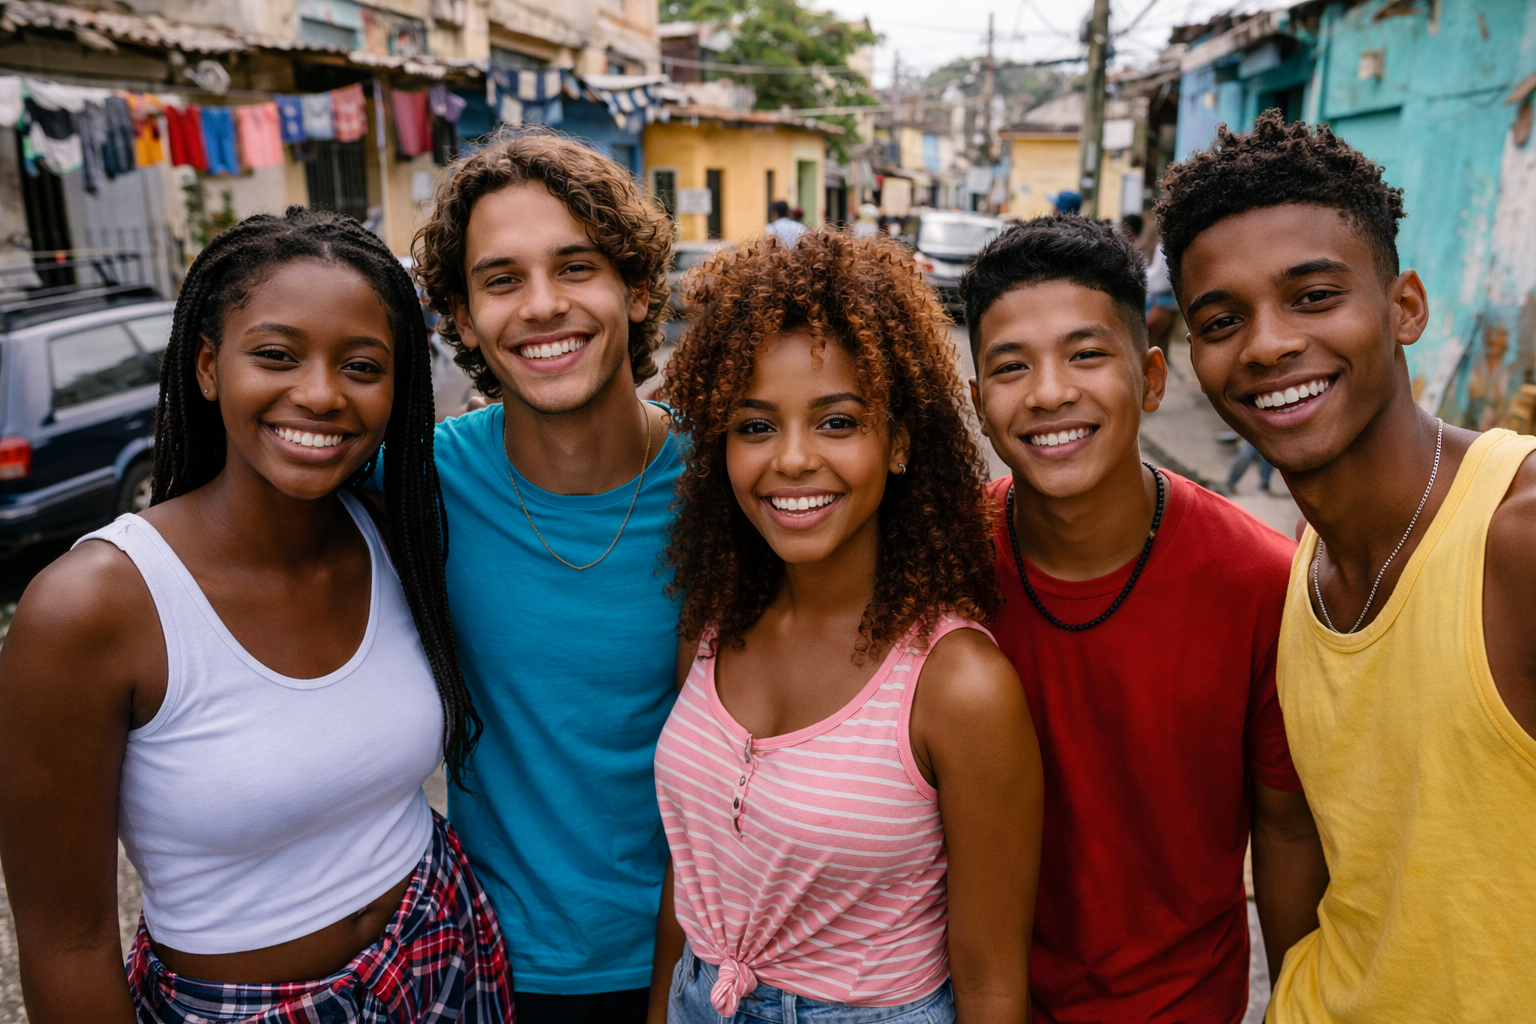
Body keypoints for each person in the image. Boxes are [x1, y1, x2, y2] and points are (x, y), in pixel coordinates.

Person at [0, 207, 512, 1024]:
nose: (318, 394)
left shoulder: (391, 534)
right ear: (208, 367)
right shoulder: (92, 606)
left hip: (439, 952)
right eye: (276, 355)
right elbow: (67, 943)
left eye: (361, 366)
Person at [1158, 110, 1536, 1022]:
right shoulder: (1301, 575)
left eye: (1315, 296)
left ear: (1405, 305)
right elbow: (1305, 838)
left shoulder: (1516, 536)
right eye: (1222, 319)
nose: (1268, 343)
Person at [649, 230, 1044, 1023]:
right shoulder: (713, 628)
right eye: (754, 427)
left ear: (898, 443)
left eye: (835, 422)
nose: (791, 460)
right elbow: (688, 879)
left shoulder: (959, 686)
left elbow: (994, 983)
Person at [959, 214, 1328, 1024]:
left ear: (1153, 378)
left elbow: (1287, 831)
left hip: (1184, 1005)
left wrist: (1300, 1004)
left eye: (1087, 354)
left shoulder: (1258, 580)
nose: (1051, 392)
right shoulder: (944, 565)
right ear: (979, 403)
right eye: (1011, 367)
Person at [409, 128, 682, 1024]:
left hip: (702, 962)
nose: (541, 306)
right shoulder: (415, 483)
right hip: (487, 965)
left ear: (638, 291)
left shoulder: (730, 482)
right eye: (501, 279)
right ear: (461, 318)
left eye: (576, 267)